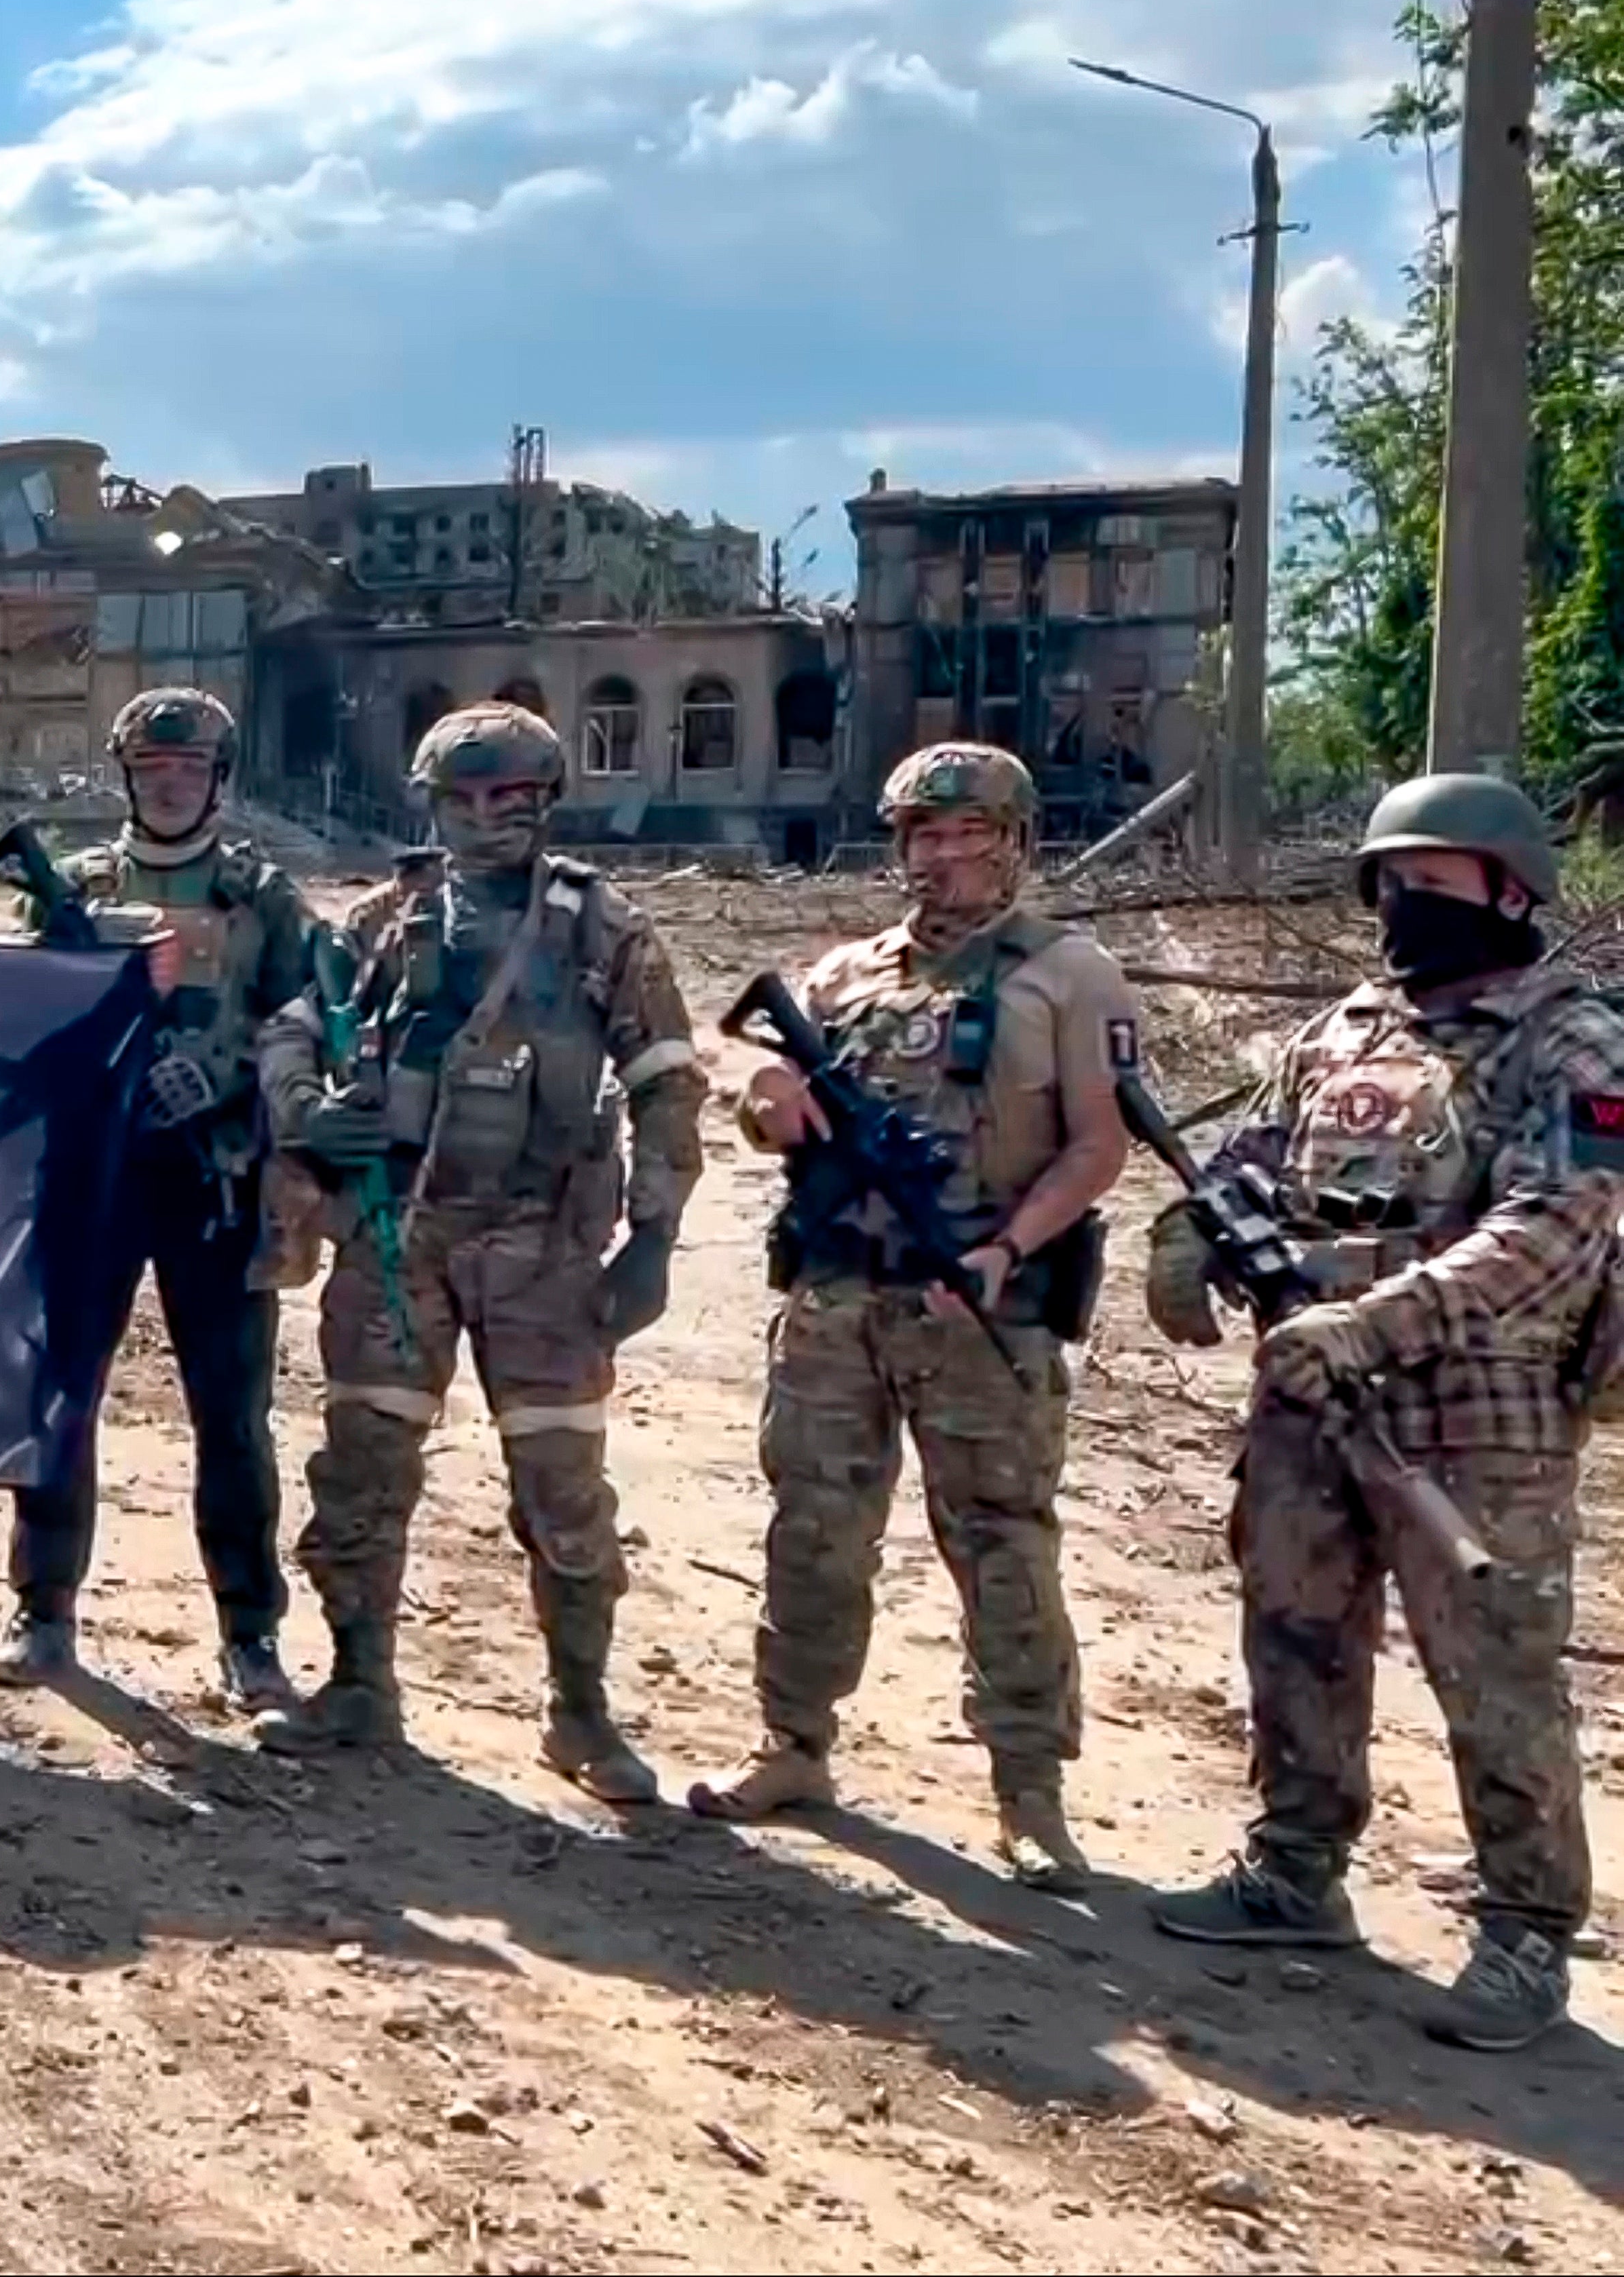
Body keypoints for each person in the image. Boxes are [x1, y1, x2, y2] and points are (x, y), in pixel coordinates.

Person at [1144, 771, 1624, 2053]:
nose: (1405, 903)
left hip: (1480, 1412)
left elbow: (1555, 1228)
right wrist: (1188, 1234)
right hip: (1309, 1396)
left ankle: (1524, 1927)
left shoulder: (1567, 1038)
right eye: (1389, 881)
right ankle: (1298, 1864)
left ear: (1511, 890)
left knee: (1497, 1667)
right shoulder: (1350, 1026)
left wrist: (1374, 1320)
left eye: (1433, 879)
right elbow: (1254, 1156)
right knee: (1295, 1621)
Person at [686, 746, 1128, 1886]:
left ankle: (1030, 1789)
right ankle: (793, 1742)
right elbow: (763, 1106)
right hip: (840, 1298)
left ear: (1017, 842)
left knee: (1004, 1547)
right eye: (927, 837)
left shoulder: (1068, 975)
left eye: (972, 835)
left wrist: (1004, 1248)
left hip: (982, 1303)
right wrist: (766, 1104)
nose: (947, 858)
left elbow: (1096, 1144)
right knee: (815, 1531)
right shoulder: (843, 978)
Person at [256, 702, 705, 1803]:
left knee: (562, 1485)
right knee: (362, 1467)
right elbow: (291, 1032)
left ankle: (582, 1712)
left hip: (543, 1247)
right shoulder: (380, 922)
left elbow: (669, 1083)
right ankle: (360, 1681)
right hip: (397, 1234)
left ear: (546, 803)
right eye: (461, 799)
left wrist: (652, 1238)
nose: (483, 819)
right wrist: (312, 1114)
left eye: (508, 799)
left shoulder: (604, 928)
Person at [0, 687, 317, 1710]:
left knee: (230, 1415)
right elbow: (25, 1019)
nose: (171, 782)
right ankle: (42, 1610)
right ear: (128, 775)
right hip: (96, 1177)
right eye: (153, 767)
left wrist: (230, 1069)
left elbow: (317, 1016)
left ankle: (249, 1632)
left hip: (214, 1178)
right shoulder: (77, 886)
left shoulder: (262, 894)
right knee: (61, 1396)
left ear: (218, 776)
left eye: (189, 767)